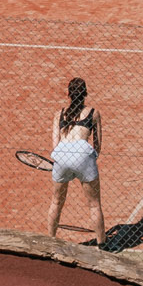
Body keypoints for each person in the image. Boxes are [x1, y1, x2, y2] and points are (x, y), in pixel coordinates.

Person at [46, 76, 104, 244]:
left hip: (62, 155)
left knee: (56, 202)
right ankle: (103, 245)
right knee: (94, 204)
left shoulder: (59, 114)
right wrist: (88, 163)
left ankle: (50, 242)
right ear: (85, 93)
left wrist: (62, 161)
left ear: (68, 94)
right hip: (83, 155)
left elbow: (55, 145)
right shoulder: (93, 113)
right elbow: (98, 145)